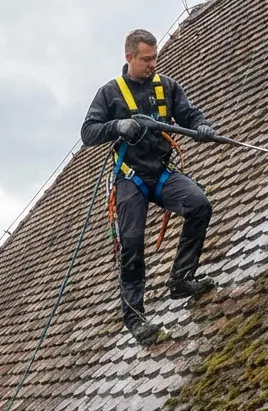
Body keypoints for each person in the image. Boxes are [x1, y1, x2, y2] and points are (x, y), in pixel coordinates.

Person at [81, 28, 219, 345]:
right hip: (130, 178)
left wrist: (201, 126)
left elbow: (189, 113)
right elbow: (88, 132)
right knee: (131, 243)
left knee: (199, 205)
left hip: (161, 174)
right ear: (129, 57)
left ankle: (182, 279)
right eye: (146, 59)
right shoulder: (110, 94)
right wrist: (117, 125)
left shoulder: (167, 87)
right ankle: (135, 318)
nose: (152, 64)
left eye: (155, 58)